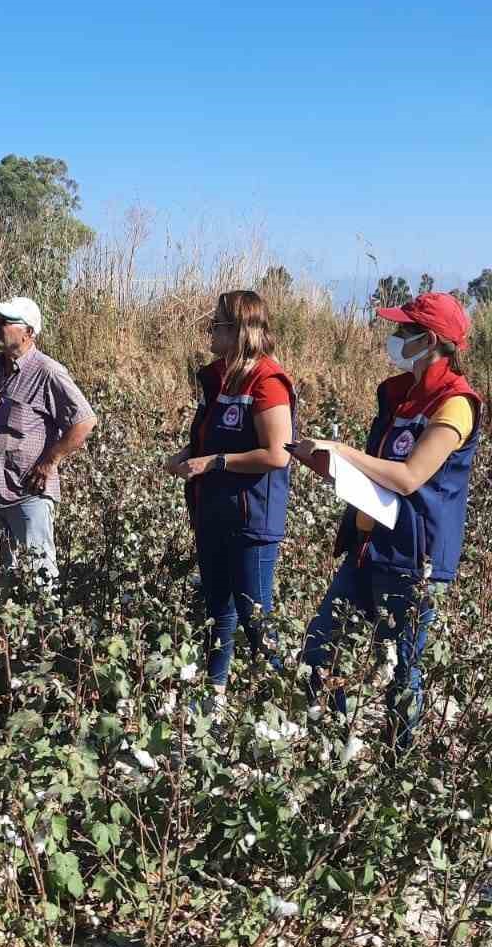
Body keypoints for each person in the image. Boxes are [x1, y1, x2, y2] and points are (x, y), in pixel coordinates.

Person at [297, 292, 481, 750]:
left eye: (404, 331)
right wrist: (323, 462)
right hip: (366, 546)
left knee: (404, 670)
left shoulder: (456, 404)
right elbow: (376, 469)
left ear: (431, 340)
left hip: (412, 560)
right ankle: (336, 749)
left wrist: (341, 451)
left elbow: (409, 476)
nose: (395, 338)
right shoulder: (398, 394)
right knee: (320, 652)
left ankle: (395, 764)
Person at [166, 289, 295, 707]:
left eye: (218, 324)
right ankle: (214, 695)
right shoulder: (218, 377)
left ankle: (279, 701)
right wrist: (189, 455)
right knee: (217, 604)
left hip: (251, 517)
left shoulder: (267, 381)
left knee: (255, 614)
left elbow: (277, 452)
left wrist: (214, 463)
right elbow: (210, 434)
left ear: (239, 331)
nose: (210, 331)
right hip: (213, 511)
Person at [0, 296, 96, 584]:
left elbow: (85, 420)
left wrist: (49, 463)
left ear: (28, 332)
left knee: (39, 575)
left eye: (5, 322)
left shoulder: (48, 371)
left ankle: (46, 629)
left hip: (28, 493)